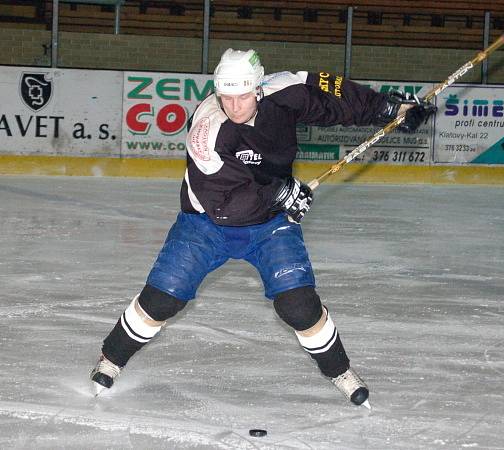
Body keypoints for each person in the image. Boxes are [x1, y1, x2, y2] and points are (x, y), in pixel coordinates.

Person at [90, 48, 436, 409]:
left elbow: (330, 98)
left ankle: (340, 371)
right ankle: (111, 360)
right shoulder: (208, 130)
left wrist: (388, 109)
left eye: (242, 96)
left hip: (269, 224)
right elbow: (222, 201)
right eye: (226, 97)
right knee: (162, 299)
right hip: (207, 222)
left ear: (258, 88)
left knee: (299, 307)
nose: (234, 106)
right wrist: (280, 193)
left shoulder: (282, 90)